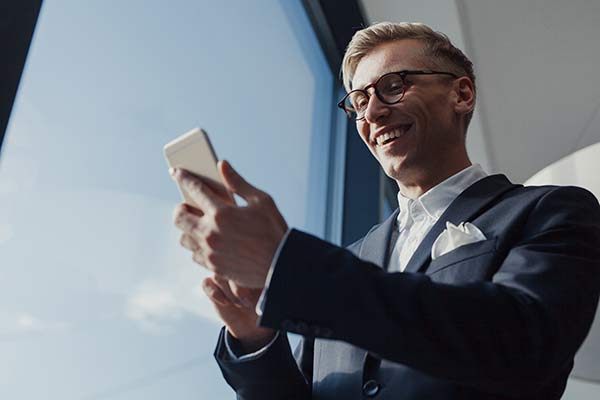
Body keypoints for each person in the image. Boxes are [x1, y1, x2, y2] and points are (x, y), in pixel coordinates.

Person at [171, 22, 600, 399]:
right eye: (358, 101)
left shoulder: (551, 209)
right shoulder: (351, 258)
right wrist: (255, 336)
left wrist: (286, 266)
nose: (372, 112)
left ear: (462, 93)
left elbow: (523, 344)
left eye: (393, 85)